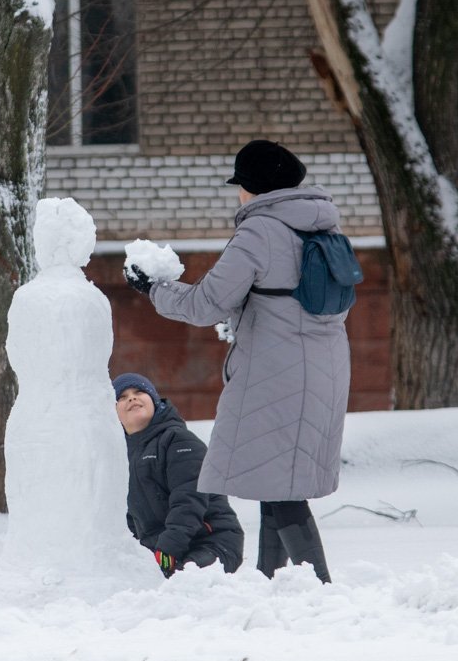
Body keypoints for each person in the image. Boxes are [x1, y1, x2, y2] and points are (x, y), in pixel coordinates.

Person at [124, 140, 350, 583]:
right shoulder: (324, 229)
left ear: (253, 188)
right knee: (276, 481)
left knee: (282, 490)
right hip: (326, 366)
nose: (238, 195)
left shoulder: (260, 231)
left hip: (276, 373)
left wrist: (152, 289)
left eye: (240, 186)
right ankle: (270, 581)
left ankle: (320, 589)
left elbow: (205, 303)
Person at [112, 372, 244, 577]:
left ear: (155, 401)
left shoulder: (177, 439)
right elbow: (129, 517)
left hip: (211, 543)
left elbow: (188, 501)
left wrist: (166, 553)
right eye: (122, 396)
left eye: (139, 391)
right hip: (164, 551)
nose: (132, 397)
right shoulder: (120, 456)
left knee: (185, 583)